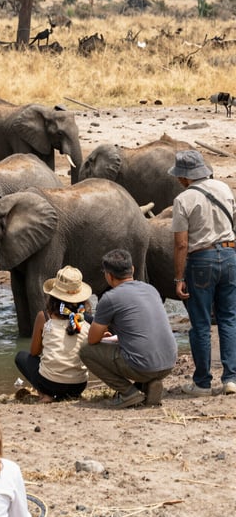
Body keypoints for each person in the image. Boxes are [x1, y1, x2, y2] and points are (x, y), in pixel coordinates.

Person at [170, 149, 236, 396]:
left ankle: (202, 383)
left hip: (201, 260)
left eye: (179, 176)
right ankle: (231, 379)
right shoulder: (224, 188)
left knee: (200, 323)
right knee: (229, 319)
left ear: (185, 176)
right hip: (229, 255)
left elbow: (181, 244)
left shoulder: (183, 199)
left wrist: (179, 278)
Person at [79, 249, 177, 408]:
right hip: (168, 363)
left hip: (143, 366)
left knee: (85, 350)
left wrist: (103, 334)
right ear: (132, 269)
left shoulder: (110, 298)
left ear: (109, 276)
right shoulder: (150, 289)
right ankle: (147, 384)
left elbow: (92, 340)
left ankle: (128, 393)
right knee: (135, 347)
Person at [14, 266, 92, 402]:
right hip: (78, 385)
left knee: (21, 357)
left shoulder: (44, 317)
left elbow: (34, 352)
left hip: (50, 384)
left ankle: (45, 394)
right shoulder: (86, 320)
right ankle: (68, 395)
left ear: (54, 295)